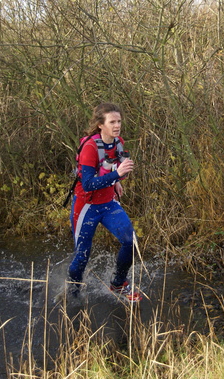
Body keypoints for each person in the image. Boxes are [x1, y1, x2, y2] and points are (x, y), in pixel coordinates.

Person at [67, 102, 142, 302]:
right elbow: (89, 184)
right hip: (87, 206)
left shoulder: (118, 142)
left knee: (130, 242)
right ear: (101, 124)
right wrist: (117, 174)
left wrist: (116, 180)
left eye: (119, 121)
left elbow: (111, 168)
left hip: (108, 202)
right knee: (82, 256)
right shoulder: (90, 147)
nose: (117, 125)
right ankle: (73, 293)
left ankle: (118, 284)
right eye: (112, 122)